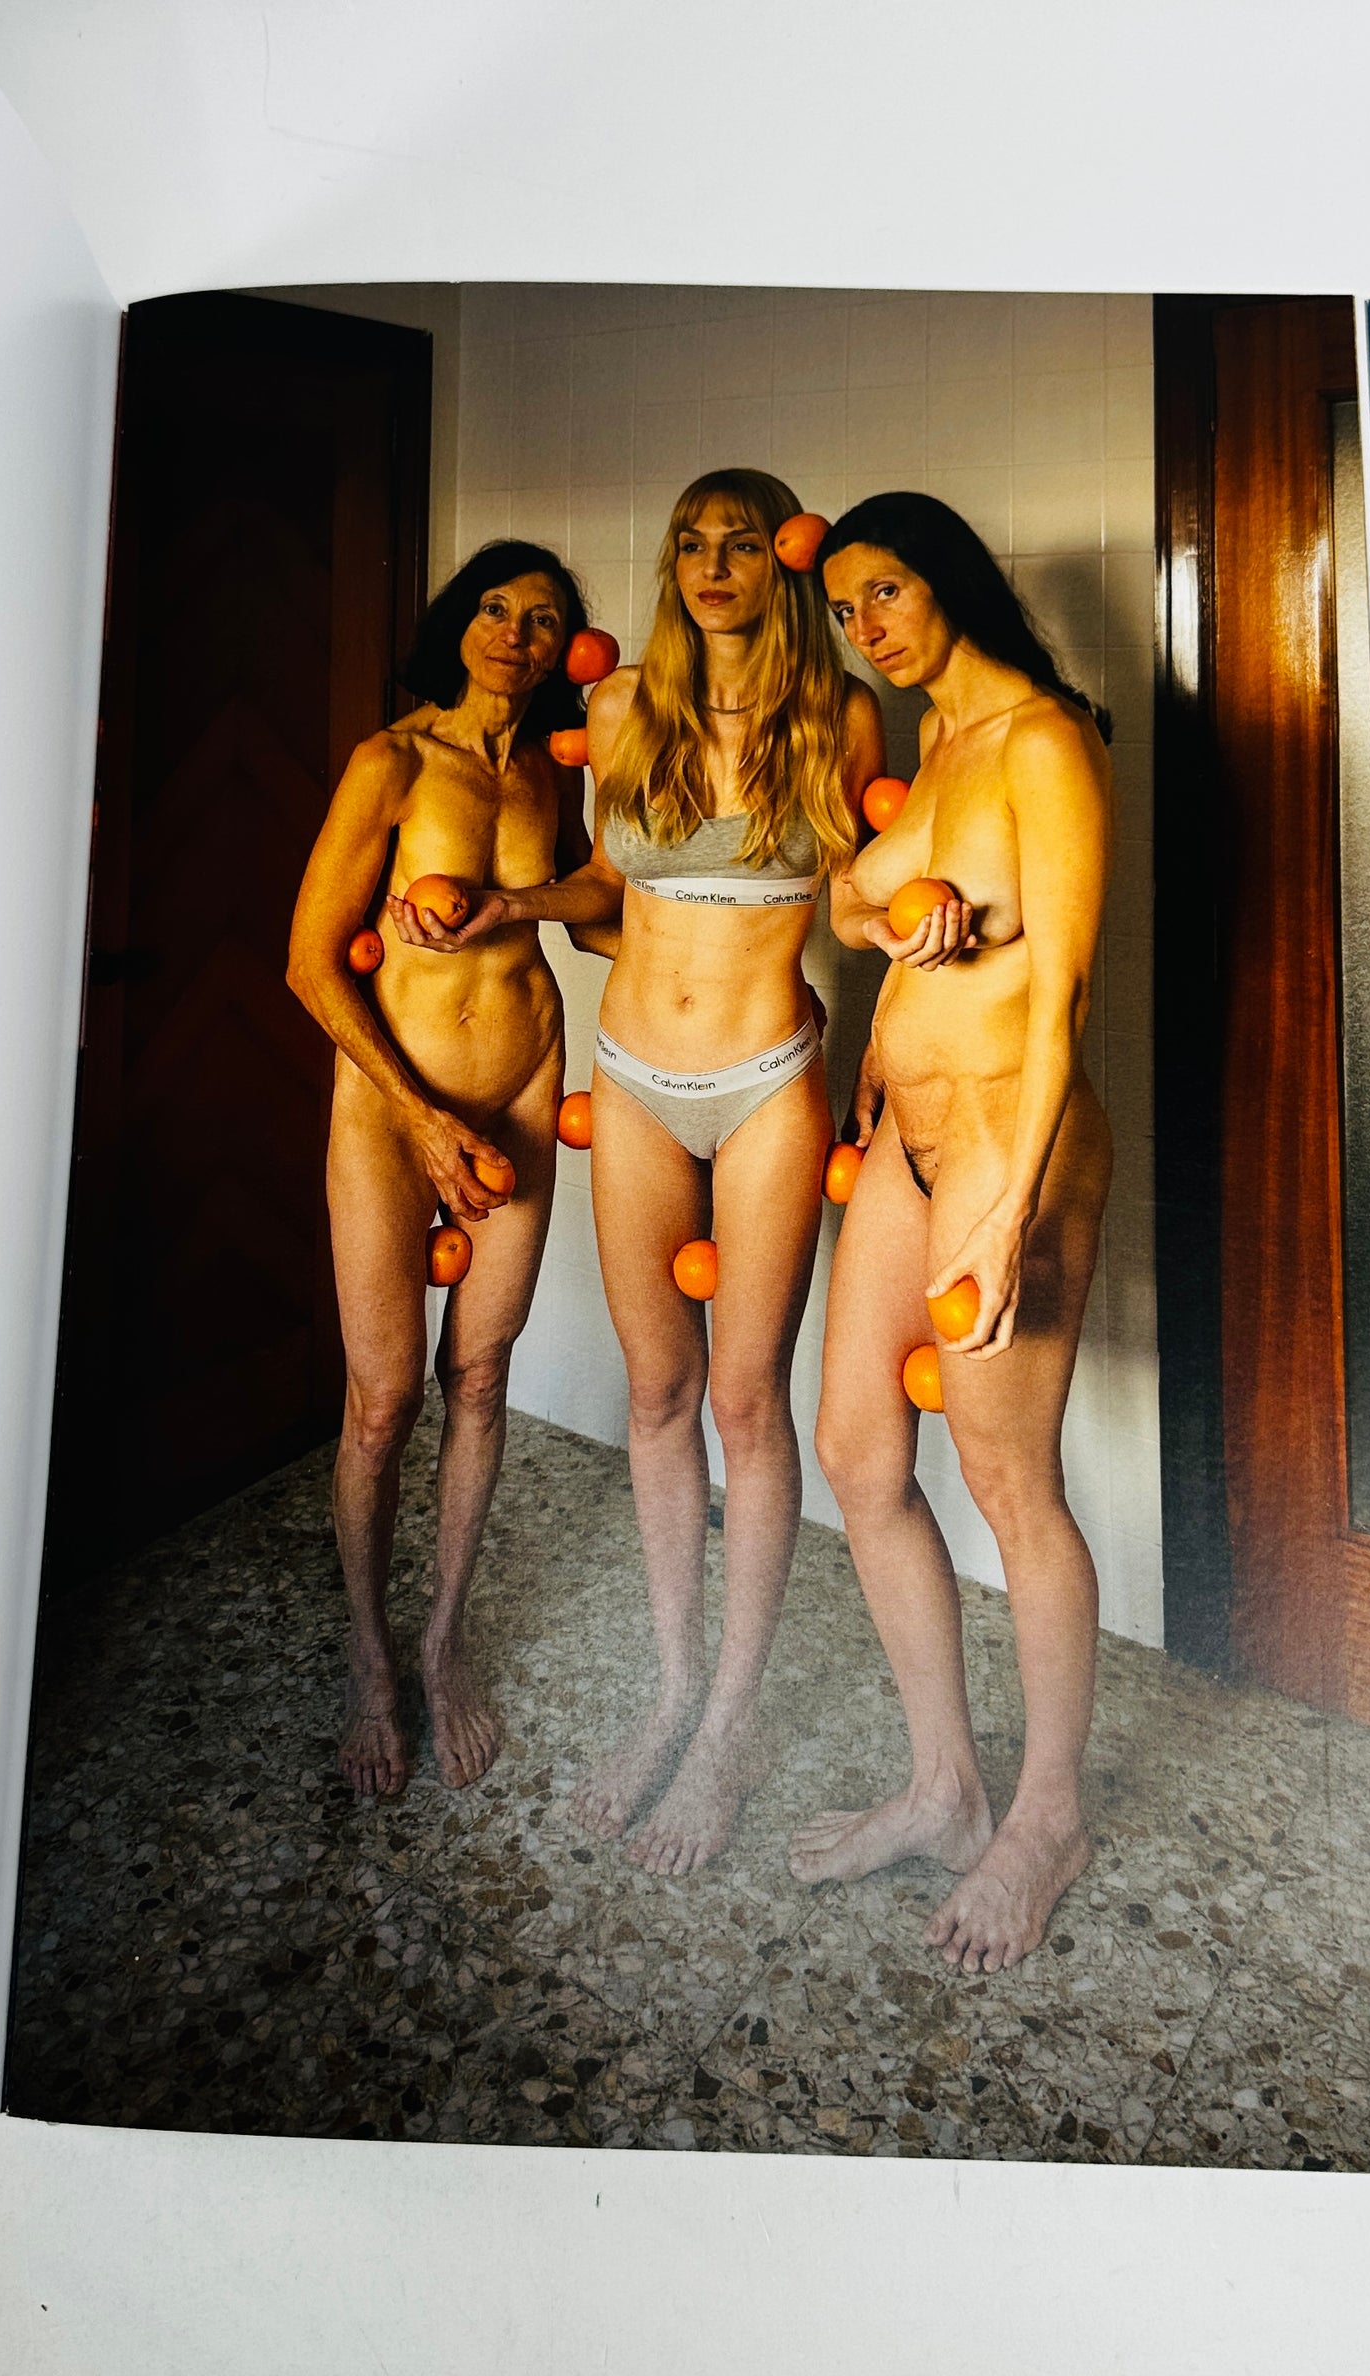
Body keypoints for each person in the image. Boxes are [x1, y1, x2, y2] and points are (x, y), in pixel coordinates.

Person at [404, 469, 881, 1875]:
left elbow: (863, 893)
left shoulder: (840, 715)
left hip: (770, 1081)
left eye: (740, 541)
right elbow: (608, 893)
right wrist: (512, 902)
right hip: (630, 1080)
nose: (713, 563)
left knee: (744, 1399)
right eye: (690, 543)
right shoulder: (619, 710)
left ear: (782, 561)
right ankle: (674, 1691)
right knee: (658, 1394)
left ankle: (730, 1726)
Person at [787, 490, 1115, 1974]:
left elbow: (1062, 1001)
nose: (866, 629)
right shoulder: (934, 742)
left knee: (1008, 1483)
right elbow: (858, 897)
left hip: (1003, 1147)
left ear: (950, 582)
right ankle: (944, 1786)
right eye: (845, 609)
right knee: (858, 1455)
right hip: (904, 1147)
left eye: (886, 594)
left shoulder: (1044, 742)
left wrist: (1012, 1202)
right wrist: (886, 929)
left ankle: (1046, 1820)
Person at [285, 542, 591, 1798]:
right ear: (458, 624)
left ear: (564, 649)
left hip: (521, 1090)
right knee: (382, 1400)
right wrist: (417, 1121)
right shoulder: (394, 761)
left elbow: (594, 907)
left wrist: (520, 908)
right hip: (390, 1110)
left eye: (544, 619)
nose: (515, 632)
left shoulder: (554, 769)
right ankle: (370, 1661)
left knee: (481, 1375)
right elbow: (310, 962)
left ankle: (442, 1642)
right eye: (496, 609)